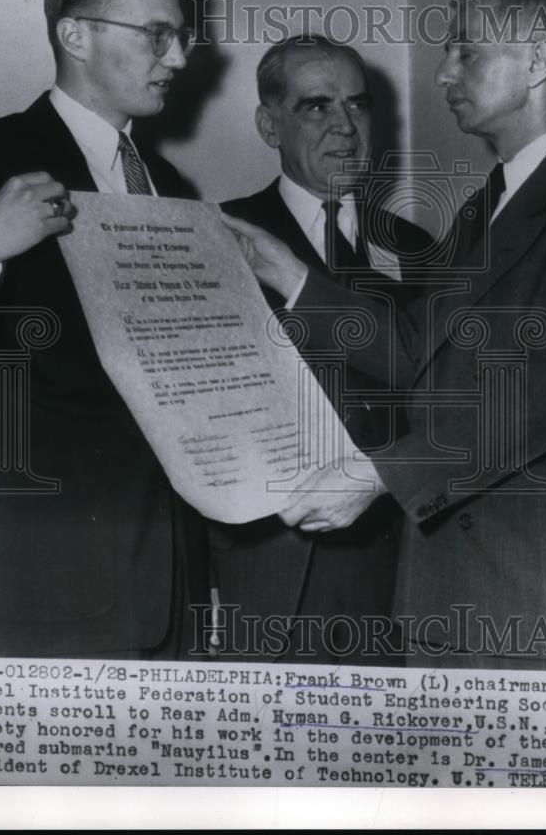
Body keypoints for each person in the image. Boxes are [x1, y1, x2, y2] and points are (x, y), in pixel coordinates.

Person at [226, 0, 546, 670]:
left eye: (465, 53)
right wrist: (289, 273)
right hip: (445, 596)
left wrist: (377, 475)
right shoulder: (482, 209)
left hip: (543, 605)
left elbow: (543, 396)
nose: (442, 73)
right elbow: (411, 353)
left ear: (537, 63)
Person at [0, 0, 208, 659]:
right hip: (53, 580)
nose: (179, 58)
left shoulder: (175, 189)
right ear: (75, 35)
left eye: (182, 37)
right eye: (158, 35)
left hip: (177, 577)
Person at [211, 35, 431, 662]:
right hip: (275, 565)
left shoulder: (419, 249)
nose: (344, 127)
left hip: (400, 563)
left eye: (357, 106)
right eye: (316, 107)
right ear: (268, 123)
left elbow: (434, 386)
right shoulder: (221, 235)